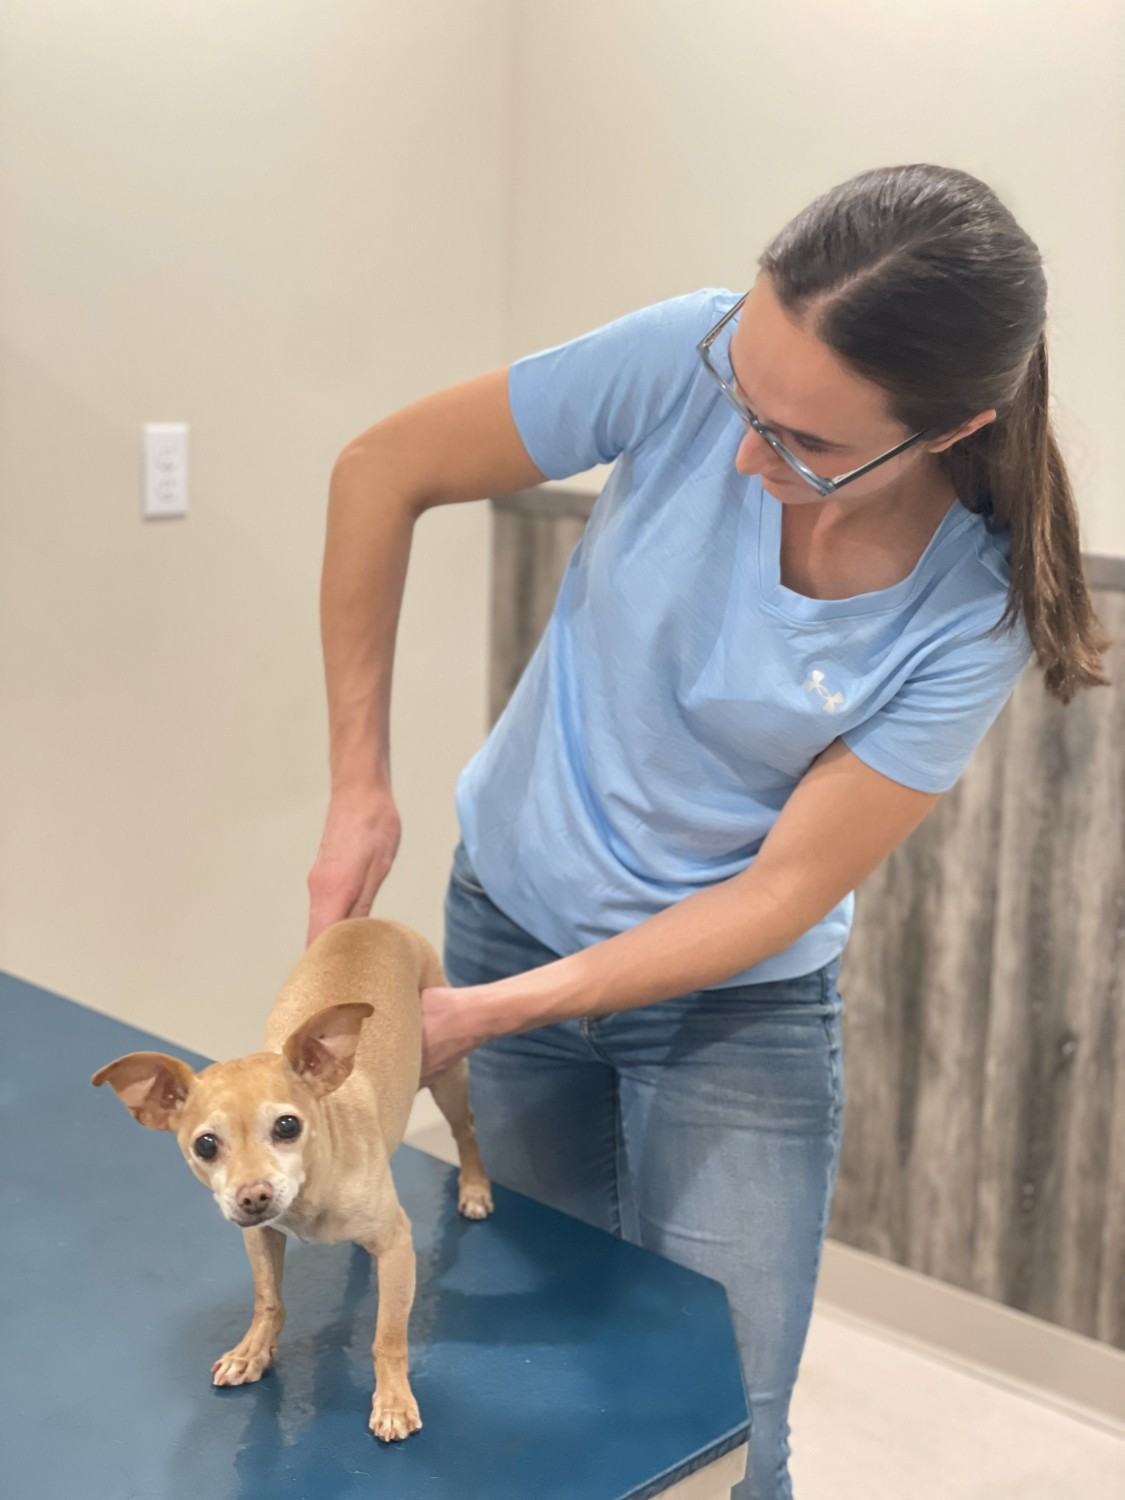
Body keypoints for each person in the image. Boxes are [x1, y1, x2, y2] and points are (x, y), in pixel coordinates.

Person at [306, 164, 1107, 1499]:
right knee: (548, 1365)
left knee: (725, 1429)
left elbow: (778, 893)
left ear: (952, 429)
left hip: (738, 1010)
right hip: (509, 915)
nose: (743, 453)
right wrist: (357, 788)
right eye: (744, 392)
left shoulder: (976, 605)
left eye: (800, 442)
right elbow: (378, 470)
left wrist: (489, 1017)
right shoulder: (684, 359)